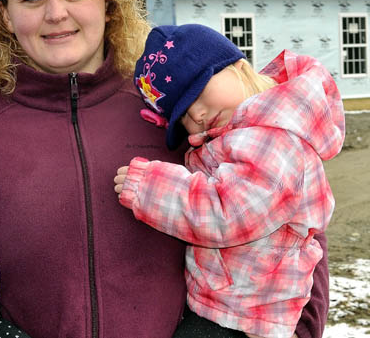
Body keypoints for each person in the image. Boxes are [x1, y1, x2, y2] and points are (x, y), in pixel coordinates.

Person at [0, 0, 331, 338]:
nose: (56, 13)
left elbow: (291, 233)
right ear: (5, 14)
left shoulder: (177, 113)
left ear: (108, 4)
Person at [113, 24, 344, 338]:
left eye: (196, 92)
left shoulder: (275, 139)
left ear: (237, 67)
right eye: (181, 115)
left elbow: (227, 213)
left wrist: (150, 187)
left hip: (248, 314)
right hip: (233, 302)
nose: (196, 114)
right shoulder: (246, 130)